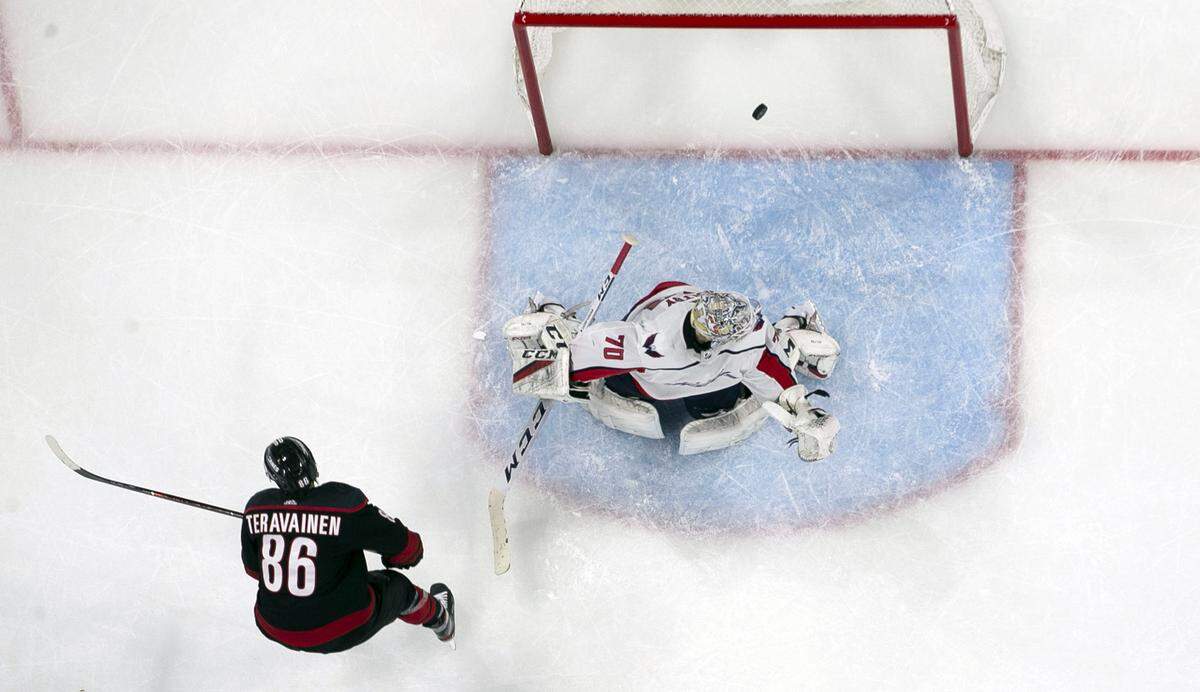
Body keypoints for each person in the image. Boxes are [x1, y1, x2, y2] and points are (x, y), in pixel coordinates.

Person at [503, 281, 842, 459]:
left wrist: (801, 409)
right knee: (618, 381)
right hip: (655, 328)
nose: (696, 326)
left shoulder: (748, 330)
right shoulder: (653, 343)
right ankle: (554, 316)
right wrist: (554, 367)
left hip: (699, 363)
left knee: (715, 402)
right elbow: (596, 349)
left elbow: (765, 361)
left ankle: (799, 321)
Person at [240, 437, 455, 652]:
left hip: (273, 625)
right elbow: (407, 548)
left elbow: (254, 569)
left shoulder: (255, 510)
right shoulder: (343, 505)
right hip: (343, 627)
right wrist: (400, 557)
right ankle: (442, 620)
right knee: (399, 588)